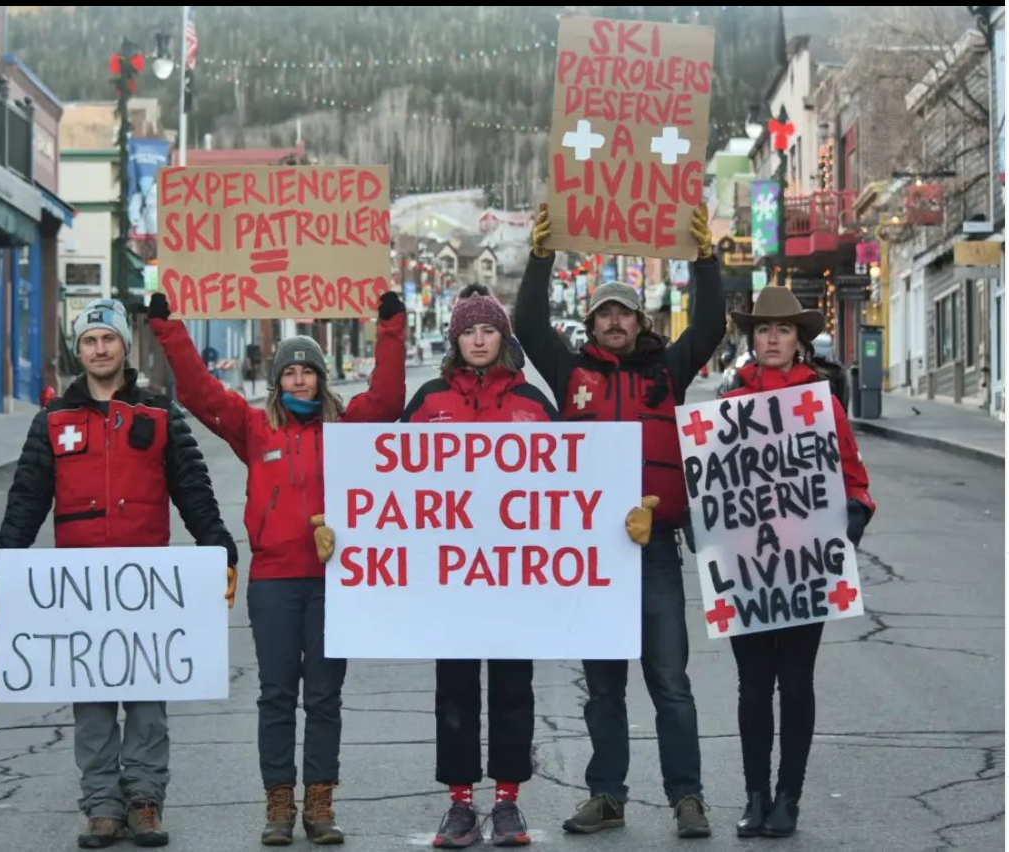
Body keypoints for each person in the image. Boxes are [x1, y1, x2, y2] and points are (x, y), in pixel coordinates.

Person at [394, 292, 658, 848]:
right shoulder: (429, 399)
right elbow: (386, 478)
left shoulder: (534, 403)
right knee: (455, 691)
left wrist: (622, 514)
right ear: (456, 340)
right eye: (470, 331)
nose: (479, 339)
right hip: (451, 578)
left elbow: (572, 482)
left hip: (517, 580)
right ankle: (460, 804)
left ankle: (507, 801)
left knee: (513, 689)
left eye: (489, 330)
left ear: (503, 339)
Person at [147, 290, 407, 846]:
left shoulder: (347, 425)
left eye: (307, 371)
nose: (298, 379)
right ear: (277, 380)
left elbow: (387, 399)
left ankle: (320, 804)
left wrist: (392, 328)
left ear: (321, 377)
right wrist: (168, 329)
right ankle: (279, 805)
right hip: (274, 583)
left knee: (325, 697)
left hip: (335, 581)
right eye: (289, 371)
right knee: (276, 695)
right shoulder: (253, 427)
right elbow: (199, 391)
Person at [0, 298, 238, 849]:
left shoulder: (160, 414)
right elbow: (27, 498)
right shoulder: (53, 420)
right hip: (81, 591)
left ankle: (145, 800)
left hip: (146, 587)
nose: (100, 349)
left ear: (124, 345)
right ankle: (101, 804)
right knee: (92, 701)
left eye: (108, 339)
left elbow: (193, 490)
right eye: (89, 341)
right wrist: (1, 558)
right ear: (78, 352)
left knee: (147, 698)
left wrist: (218, 544)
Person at [515, 203, 725, 839]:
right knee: (603, 688)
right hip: (593, 554)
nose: (614, 320)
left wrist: (706, 260)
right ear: (591, 323)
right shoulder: (569, 372)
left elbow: (710, 326)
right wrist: (541, 256)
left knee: (670, 682)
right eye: (604, 312)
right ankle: (606, 795)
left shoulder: (668, 371)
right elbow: (528, 324)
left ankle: (687, 797)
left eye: (624, 312)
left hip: (655, 550)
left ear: (640, 322)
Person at [722, 287, 873, 839]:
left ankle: (789, 797)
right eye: (763, 329)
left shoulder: (821, 403)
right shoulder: (729, 403)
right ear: (752, 338)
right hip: (745, 569)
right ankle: (755, 796)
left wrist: (853, 515)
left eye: (783, 330)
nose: (772, 338)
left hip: (805, 568)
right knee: (752, 688)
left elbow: (855, 479)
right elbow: (712, 484)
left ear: (799, 341)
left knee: (796, 684)